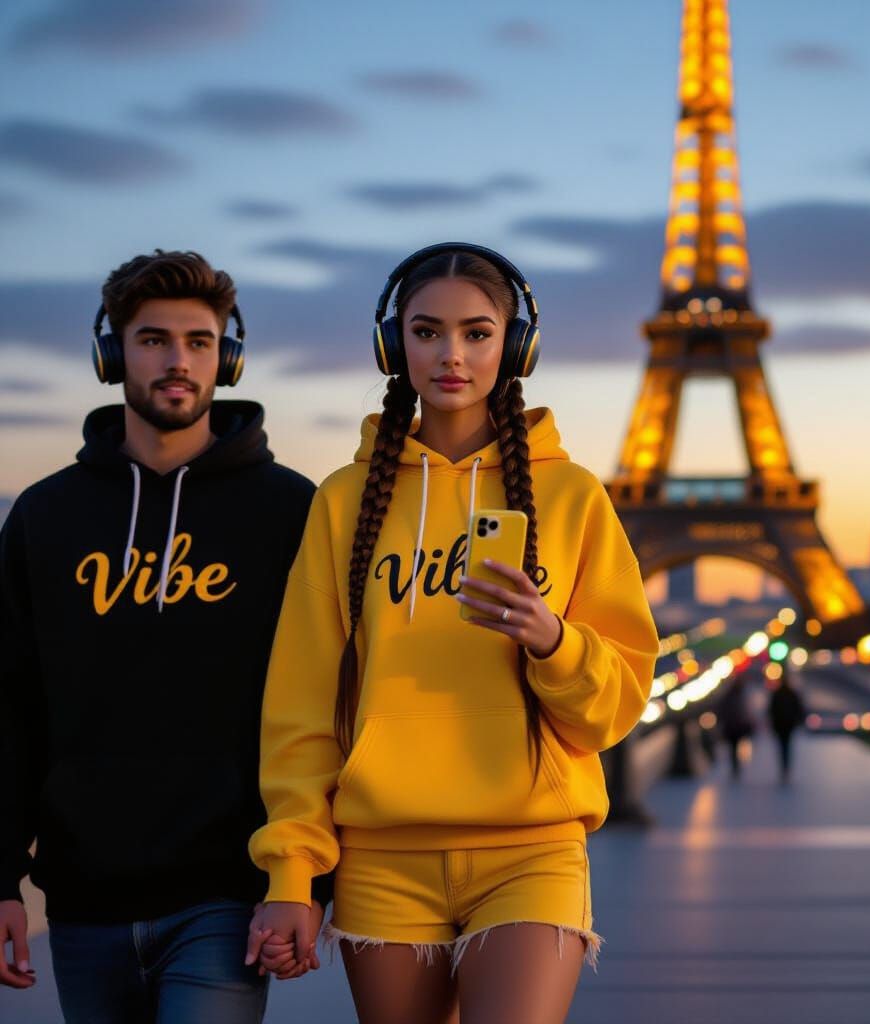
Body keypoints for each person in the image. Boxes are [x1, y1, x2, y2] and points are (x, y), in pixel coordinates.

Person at [247, 243, 659, 1024]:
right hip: (382, 859)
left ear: (516, 346)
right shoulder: (342, 503)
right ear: (393, 344)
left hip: (532, 848)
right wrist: (292, 873)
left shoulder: (572, 497)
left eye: (477, 332)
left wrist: (553, 641)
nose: (452, 355)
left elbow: (616, 707)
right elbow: (302, 708)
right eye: (427, 331)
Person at [0, 250, 331, 1021]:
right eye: (153, 340)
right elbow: (10, 705)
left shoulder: (290, 511)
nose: (178, 360)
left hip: (226, 892)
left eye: (199, 341)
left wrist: (306, 883)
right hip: (82, 899)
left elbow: (325, 700)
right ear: (112, 354)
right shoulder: (46, 516)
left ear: (227, 358)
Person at [768, 668, 805, 783]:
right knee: (787, 746)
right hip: (788, 724)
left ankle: (784, 768)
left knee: (782, 746)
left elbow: (771, 710)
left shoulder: (777, 693)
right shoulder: (792, 693)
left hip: (780, 724)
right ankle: (786, 768)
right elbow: (799, 708)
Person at [718, 674, 754, 779]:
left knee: (733, 748)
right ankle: (735, 767)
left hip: (733, 725)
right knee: (734, 747)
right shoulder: (739, 696)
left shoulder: (730, 696)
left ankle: (735, 767)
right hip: (735, 725)